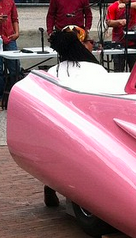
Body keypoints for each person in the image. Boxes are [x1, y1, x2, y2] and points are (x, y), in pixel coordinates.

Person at [44, 26, 107, 207]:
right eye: (90, 42)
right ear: (82, 45)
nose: (92, 45)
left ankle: (50, 185)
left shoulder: (53, 71)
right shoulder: (96, 70)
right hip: (88, 125)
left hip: (59, 126)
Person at [106, 0, 136, 72]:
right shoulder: (113, 7)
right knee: (118, 70)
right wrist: (118, 22)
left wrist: (127, 5)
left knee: (135, 71)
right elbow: (109, 22)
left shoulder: (133, 4)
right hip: (119, 42)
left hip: (134, 43)